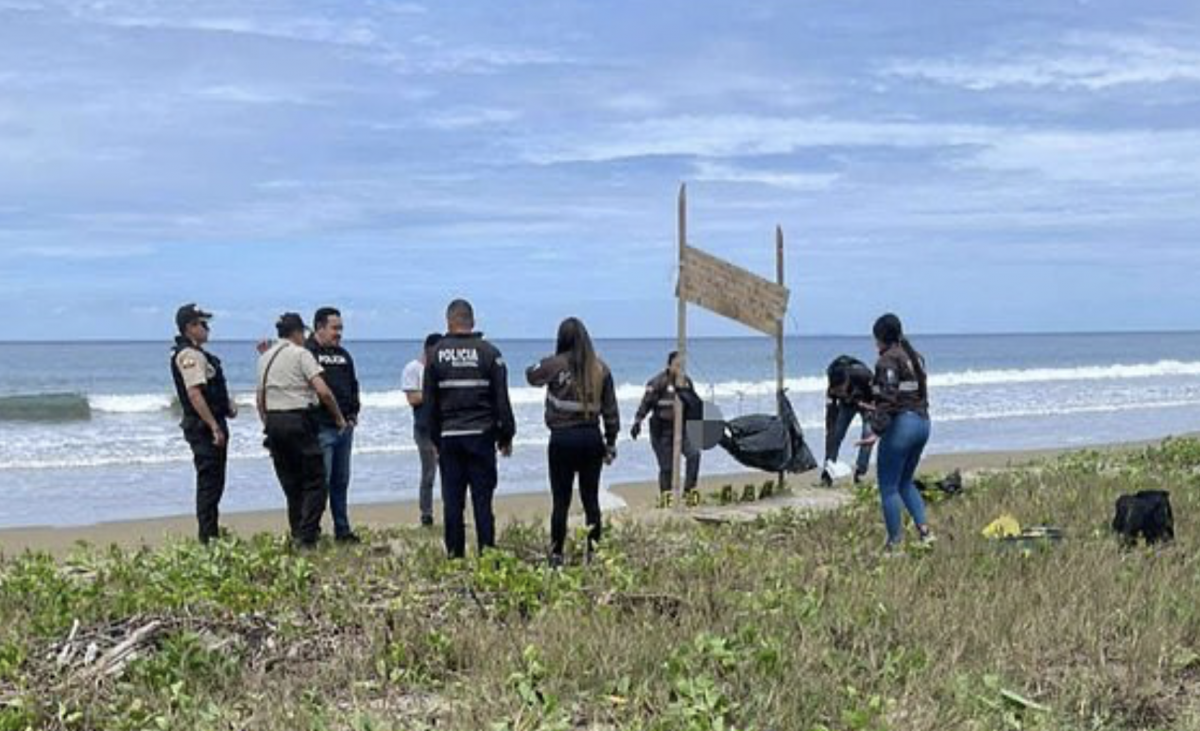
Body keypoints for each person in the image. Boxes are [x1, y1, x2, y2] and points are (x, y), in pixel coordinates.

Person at [423, 299, 516, 559]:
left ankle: (455, 556)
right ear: (472, 322)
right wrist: (506, 435)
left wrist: (435, 439)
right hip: (481, 437)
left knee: (453, 502)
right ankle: (487, 555)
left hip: (449, 438)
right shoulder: (490, 353)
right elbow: (501, 401)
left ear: (449, 321)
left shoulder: (436, 355)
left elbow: (430, 405)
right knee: (482, 501)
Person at [526, 318, 620, 566]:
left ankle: (557, 556)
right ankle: (593, 555)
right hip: (591, 438)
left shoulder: (555, 365)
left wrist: (550, 361)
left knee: (561, 501)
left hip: (562, 439)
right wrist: (610, 443)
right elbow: (611, 411)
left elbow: (530, 375)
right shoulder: (601, 368)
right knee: (591, 500)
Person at [256, 312, 347, 548]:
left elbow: (260, 398)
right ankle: (307, 536)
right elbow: (323, 390)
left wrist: (267, 423)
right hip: (298, 419)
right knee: (316, 481)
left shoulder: (265, 358)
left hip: (274, 421)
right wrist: (338, 417)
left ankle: (297, 530)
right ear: (297, 332)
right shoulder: (301, 354)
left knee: (291, 483)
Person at [858, 314, 934, 552]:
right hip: (922, 423)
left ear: (880, 337)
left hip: (903, 426)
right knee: (905, 482)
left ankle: (895, 545)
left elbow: (889, 398)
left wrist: (876, 432)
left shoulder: (887, 361)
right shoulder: (914, 357)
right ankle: (925, 533)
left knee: (888, 487)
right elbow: (909, 393)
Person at [170, 304, 237, 544]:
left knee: (215, 482)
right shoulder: (189, 355)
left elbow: (209, 389)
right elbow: (195, 393)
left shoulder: (200, 354)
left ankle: (211, 534)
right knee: (209, 484)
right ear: (189, 327)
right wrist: (214, 426)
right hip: (203, 428)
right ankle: (208, 538)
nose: (207, 328)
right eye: (202, 324)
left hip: (210, 423)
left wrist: (226, 405)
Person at [306, 307, 362, 544]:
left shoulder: (343, 355)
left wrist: (353, 412)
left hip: (345, 428)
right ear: (319, 327)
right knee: (322, 482)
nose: (338, 333)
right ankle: (312, 530)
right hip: (322, 427)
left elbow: (352, 384)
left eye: (341, 328)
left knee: (341, 481)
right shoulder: (308, 353)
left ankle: (343, 529)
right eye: (334, 328)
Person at [630, 351, 700, 504]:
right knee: (667, 466)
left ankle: (689, 493)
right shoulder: (657, 382)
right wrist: (637, 422)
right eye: (677, 365)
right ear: (669, 365)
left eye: (682, 366)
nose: (680, 368)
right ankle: (666, 499)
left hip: (682, 429)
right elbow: (645, 404)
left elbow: (694, 405)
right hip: (661, 431)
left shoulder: (687, 382)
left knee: (694, 454)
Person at [402, 333, 443, 527]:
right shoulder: (413, 369)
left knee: (450, 472)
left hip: (444, 427)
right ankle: (426, 514)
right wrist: (433, 393)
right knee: (428, 473)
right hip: (424, 428)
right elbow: (412, 398)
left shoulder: (441, 368)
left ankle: (451, 510)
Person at [822, 355, 875, 486]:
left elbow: (879, 398)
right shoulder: (832, 390)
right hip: (848, 405)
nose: (839, 393)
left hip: (868, 402)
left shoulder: (862, 375)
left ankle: (860, 472)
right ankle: (828, 473)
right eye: (836, 391)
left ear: (847, 380)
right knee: (835, 435)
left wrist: (868, 407)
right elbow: (830, 415)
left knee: (868, 435)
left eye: (841, 390)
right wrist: (830, 431)